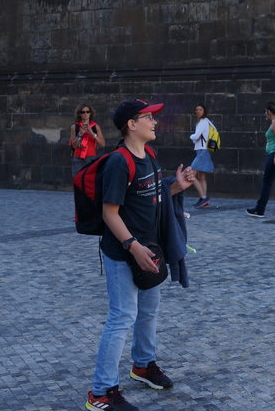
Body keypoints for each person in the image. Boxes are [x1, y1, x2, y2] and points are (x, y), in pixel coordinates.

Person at [87, 99, 195, 411]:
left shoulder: (148, 155)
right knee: (122, 317)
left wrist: (177, 186)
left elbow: (152, 193)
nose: (154, 122)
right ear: (131, 125)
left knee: (148, 312)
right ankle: (100, 393)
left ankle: (143, 365)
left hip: (149, 249)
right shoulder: (119, 162)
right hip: (124, 251)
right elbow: (110, 213)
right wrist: (133, 246)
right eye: (148, 117)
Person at [188, 104, 215, 209]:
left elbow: (196, 136)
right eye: (196, 109)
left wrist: (191, 136)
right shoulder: (206, 122)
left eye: (200, 109)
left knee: (191, 175)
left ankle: (203, 197)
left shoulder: (203, 122)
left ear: (204, 111)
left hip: (203, 151)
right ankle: (203, 200)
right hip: (202, 151)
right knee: (202, 176)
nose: (198, 111)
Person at [70, 104, 107, 176]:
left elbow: (103, 144)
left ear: (90, 113)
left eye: (87, 112)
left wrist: (92, 134)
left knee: (90, 181)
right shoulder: (74, 127)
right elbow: (74, 146)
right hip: (78, 158)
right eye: (83, 112)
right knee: (77, 181)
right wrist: (80, 134)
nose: (85, 114)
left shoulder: (95, 126)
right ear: (79, 114)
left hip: (91, 158)